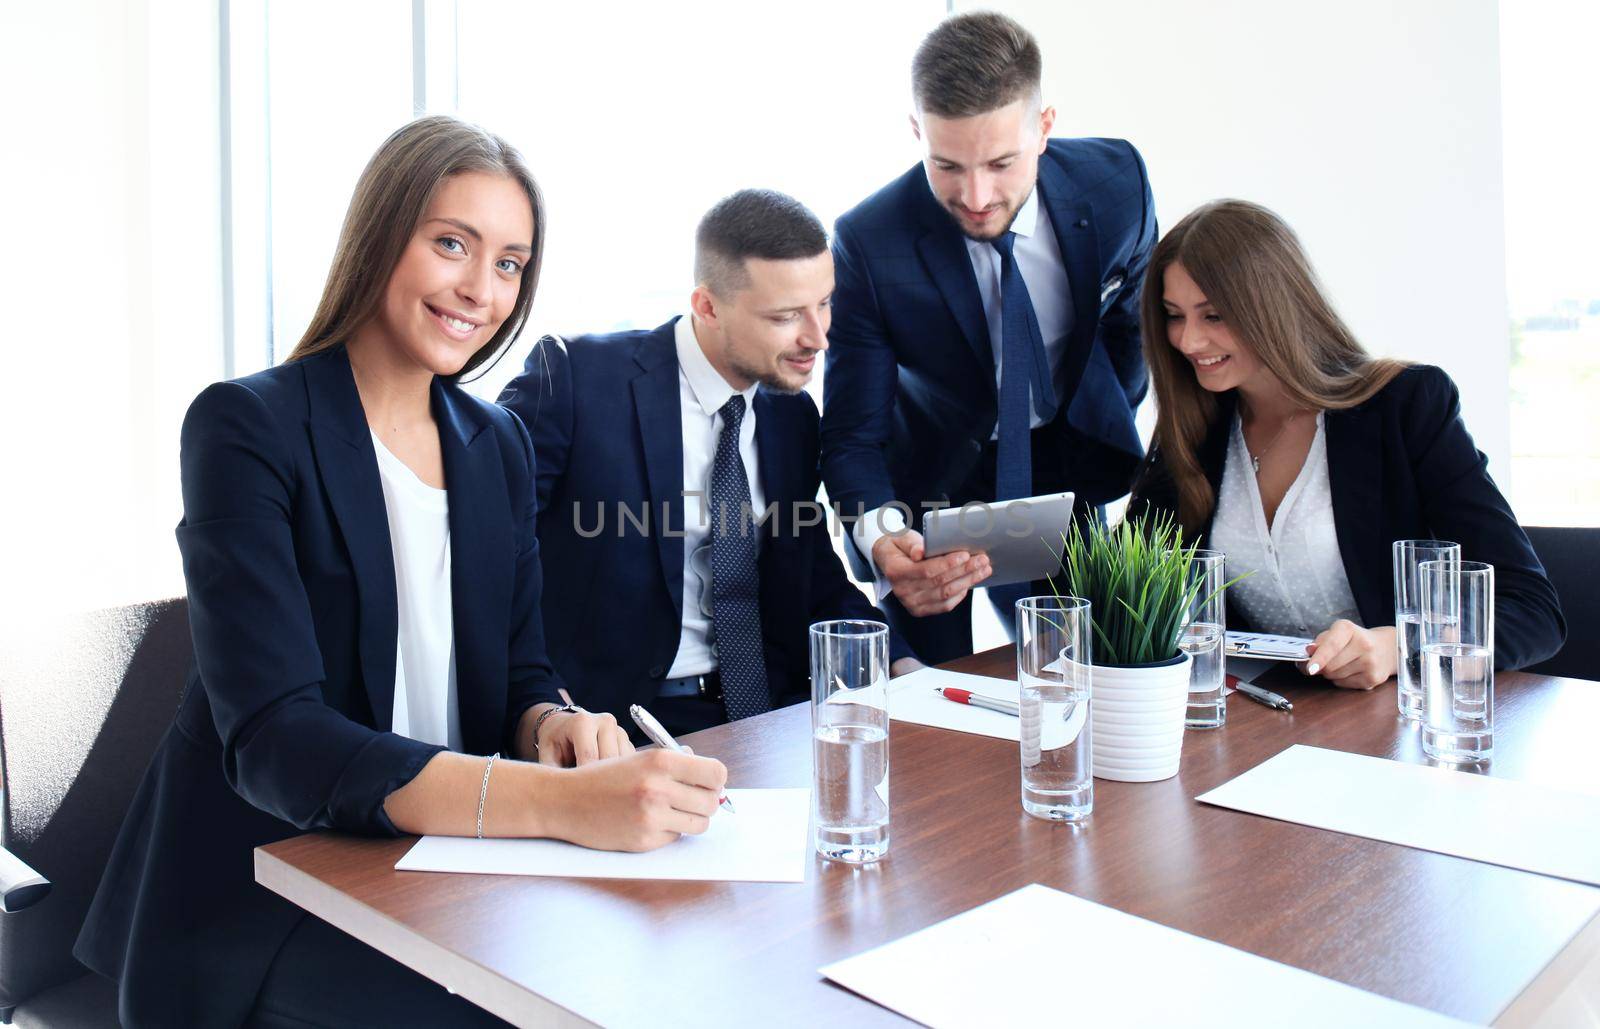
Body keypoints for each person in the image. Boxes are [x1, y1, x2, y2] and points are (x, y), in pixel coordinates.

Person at [74, 116, 727, 1028]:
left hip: (442, 867)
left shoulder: (493, 441)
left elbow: (522, 675)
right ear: (383, 235)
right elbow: (277, 738)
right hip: (272, 892)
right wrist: (561, 805)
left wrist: (557, 729)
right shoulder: (246, 427)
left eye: (509, 263)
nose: (480, 289)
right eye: (452, 244)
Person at [499, 190, 918, 738]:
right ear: (708, 307)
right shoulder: (576, 379)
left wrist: (901, 665)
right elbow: (493, 562)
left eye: (824, 303)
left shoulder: (791, 414)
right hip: (616, 724)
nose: (818, 336)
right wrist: (542, 704)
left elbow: (814, 576)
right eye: (787, 316)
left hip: (771, 713)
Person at [822, 11, 1158, 664]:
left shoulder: (1117, 185)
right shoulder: (870, 240)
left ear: (1045, 127)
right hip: (929, 491)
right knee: (921, 709)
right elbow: (852, 433)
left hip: (1062, 469)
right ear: (917, 131)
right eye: (947, 165)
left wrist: (1101, 411)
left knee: (1094, 668)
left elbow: (1129, 329)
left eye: (1002, 163)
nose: (976, 195)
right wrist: (884, 538)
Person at [1128, 199, 1565, 687]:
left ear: (1274, 307)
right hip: (1268, 721)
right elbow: (1129, 595)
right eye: (1173, 315)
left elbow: (1532, 609)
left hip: (1404, 721)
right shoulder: (1195, 432)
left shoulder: (1405, 406)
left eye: (1213, 316)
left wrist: (1402, 648)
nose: (1187, 342)